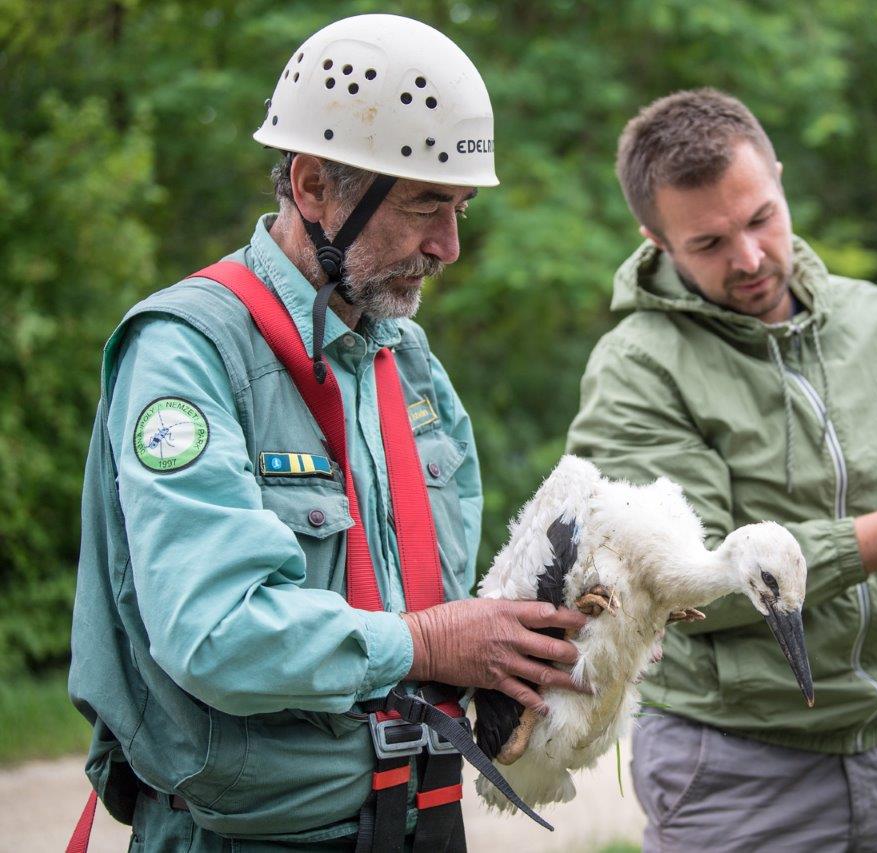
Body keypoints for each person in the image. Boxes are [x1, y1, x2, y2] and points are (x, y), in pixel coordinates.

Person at [68, 15, 588, 852]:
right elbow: (214, 630)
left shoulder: (406, 362)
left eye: (459, 209)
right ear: (313, 186)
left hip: (421, 819)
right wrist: (427, 643)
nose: (448, 246)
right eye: (424, 204)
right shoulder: (187, 353)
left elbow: (451, 596)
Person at [565, 88, 877, 851]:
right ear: (655, 238)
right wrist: (876, 539)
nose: (748, 257)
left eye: (761, 217)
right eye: (708, 244)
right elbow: (680, 585)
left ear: (777, 174)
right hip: (730, 766)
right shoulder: (636, 369)